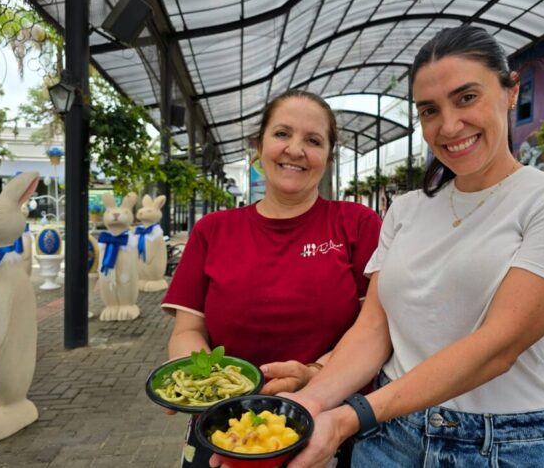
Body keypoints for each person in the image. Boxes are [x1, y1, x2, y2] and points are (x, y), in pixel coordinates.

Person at [278, 25, 544, 468]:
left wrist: (349, 418)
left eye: (466, 98)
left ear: (512, 91)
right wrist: (301, 411)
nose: (449, 126)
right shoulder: (406, 209)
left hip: (499, 448)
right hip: (388, 439)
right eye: (429, 110)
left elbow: (496, 348)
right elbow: (373, 330)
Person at [161, 89, 382, 467]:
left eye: (313, 140)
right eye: (282, 134)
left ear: (328, 157)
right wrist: (201, 381)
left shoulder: (358, 224)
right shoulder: (213, 230)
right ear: (258, 146)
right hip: (222, 427)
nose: (295, 150)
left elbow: (374, 327)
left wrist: (315, 373)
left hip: (329, 425)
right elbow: (187, 330)